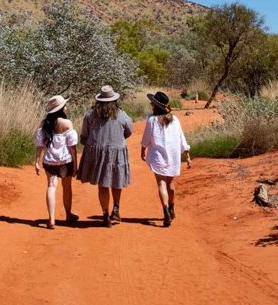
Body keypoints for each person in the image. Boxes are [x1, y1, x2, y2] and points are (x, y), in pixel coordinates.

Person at [77, 85, 133, 228]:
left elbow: (84, 136)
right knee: (116, 181)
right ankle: (116, 208)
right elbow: (129, 131)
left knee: (103, 185)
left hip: (97, 154)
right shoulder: (121, 114)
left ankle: (105, 214)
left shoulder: (90, 115)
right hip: (116, 151)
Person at [140, 91, 191, 228]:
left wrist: (143, 150)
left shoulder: (152, 120)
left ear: (155, 106)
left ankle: (166, 209)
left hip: (158, 156)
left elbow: (146, 138)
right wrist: (187, 155)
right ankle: (172, 208)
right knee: (170, 183)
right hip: (173, 155)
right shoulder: (175, 119)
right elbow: (181, 138)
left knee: (161, 183)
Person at [34, 95, 79, 230]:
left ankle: (51, 218)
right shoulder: (67, 124)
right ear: (61, 109)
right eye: (65, 105)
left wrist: (37, 161)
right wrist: (75, 165)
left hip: (49, 162)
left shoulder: (44, 124)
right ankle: (68, 215)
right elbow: (72, 147)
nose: (66, 107)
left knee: (51, 186)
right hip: (65, 161)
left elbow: (39, 144)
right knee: (67, 187)